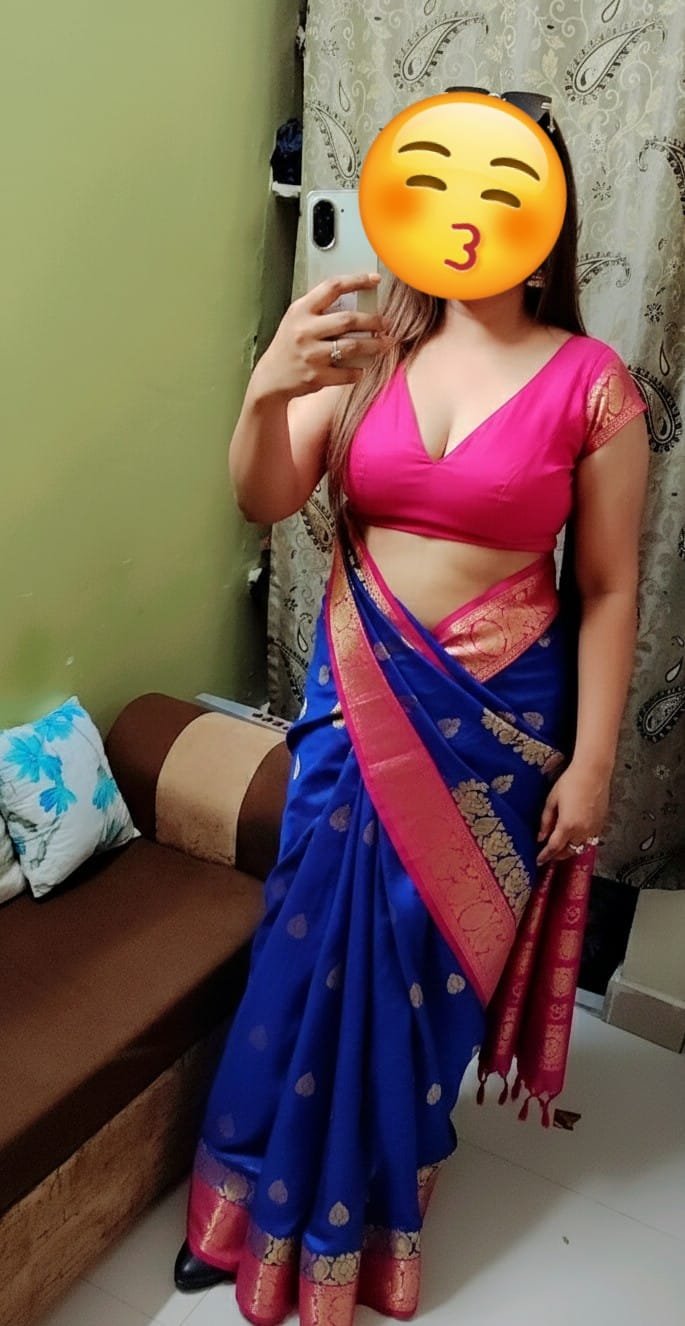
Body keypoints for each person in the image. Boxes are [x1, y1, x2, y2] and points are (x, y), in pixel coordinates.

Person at [174, 117, 649, 1326]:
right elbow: (266, 494)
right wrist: (268, 386)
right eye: (436, 180)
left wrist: (593, 763)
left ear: (543, 216)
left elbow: (606, 587)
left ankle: (369, 1217)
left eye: (498, 186)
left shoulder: (592, 384)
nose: (464, 209)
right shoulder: (365, 348)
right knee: (300, 948)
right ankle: (239, 1213)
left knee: (421, 978)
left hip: (496, 731)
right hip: (353, 705)